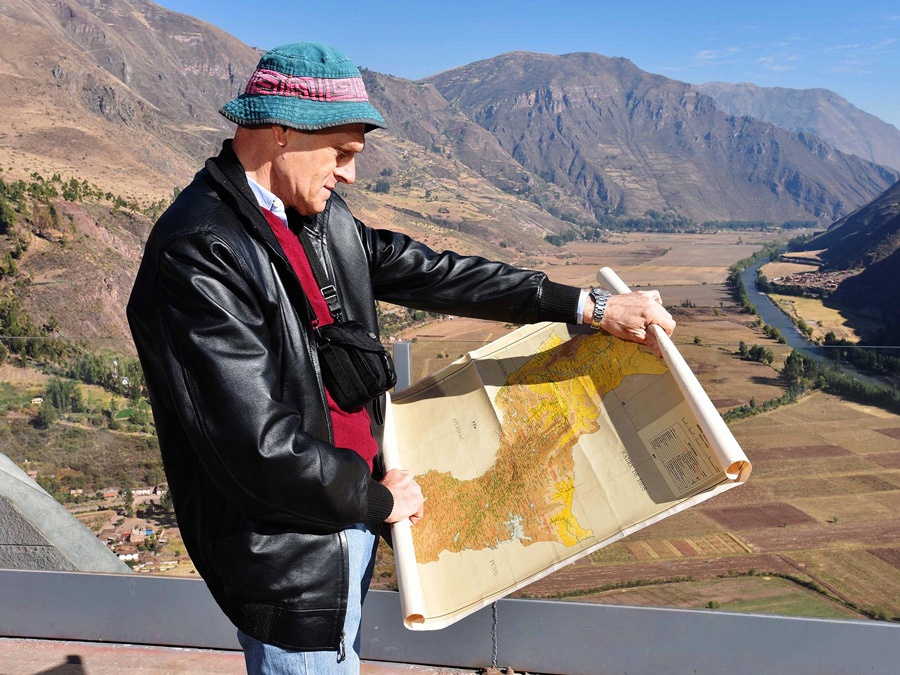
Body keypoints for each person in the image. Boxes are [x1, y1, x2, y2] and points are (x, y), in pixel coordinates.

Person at [127, 42, 675, 674]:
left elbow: (437, 274)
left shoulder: (313, 216)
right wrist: (380, 501)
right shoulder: (201, 250)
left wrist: (587, 306)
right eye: (342, 153)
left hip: (350, 510)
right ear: (281, 131)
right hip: (293, 556)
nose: (350, 175)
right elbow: (255, 445)